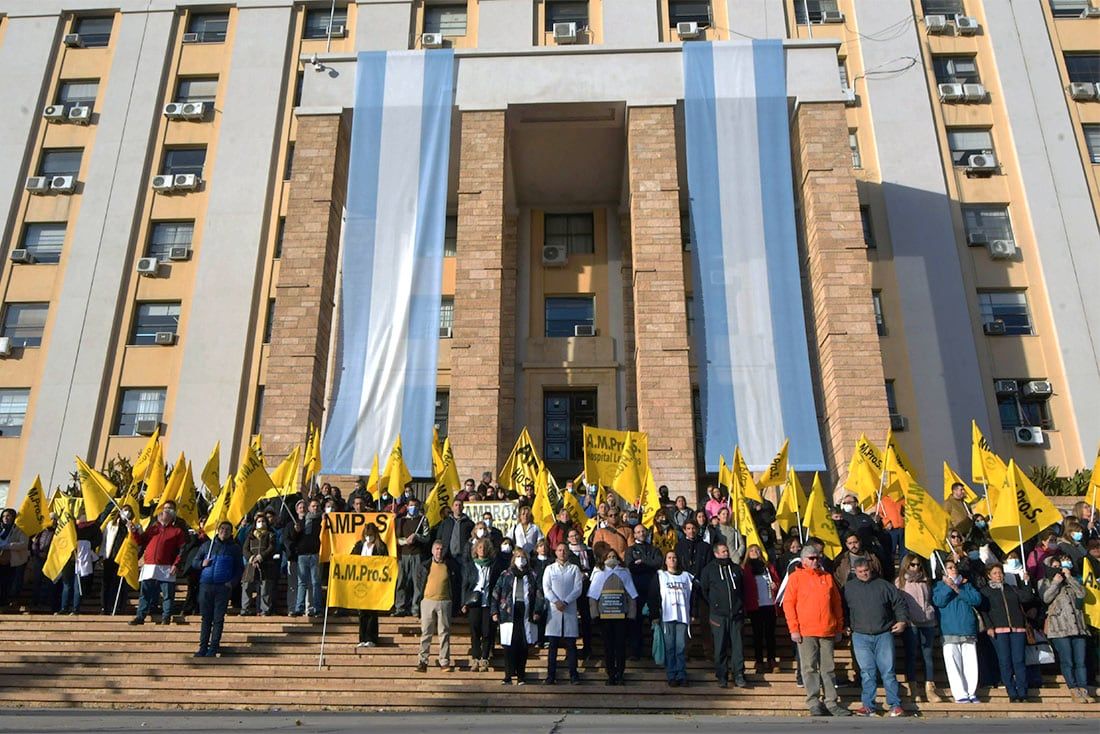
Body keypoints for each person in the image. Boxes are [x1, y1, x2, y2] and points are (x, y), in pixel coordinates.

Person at [782, 546, 850, 717]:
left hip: (827, 629)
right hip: (806, 630)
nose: (815, 561)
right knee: (809, 668)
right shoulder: (796, 578)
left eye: (817, 558)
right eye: (811, 558)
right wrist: (794, 629)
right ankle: (813, 702)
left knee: (828, 668)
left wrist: (839, 626)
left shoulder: (827, 577)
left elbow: (836, 603)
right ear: (803, 560)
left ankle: (831, 702)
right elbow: (789, 604)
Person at [843, 557, 908, 717]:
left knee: (888, 671)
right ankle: (868, 705)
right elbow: (842, 608)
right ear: (855, 572)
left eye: (866, 571)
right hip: (860, 635)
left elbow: (899, 602)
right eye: (860, 572)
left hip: (883, 634)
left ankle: (895, 705)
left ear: (870, 569)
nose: (864, 574)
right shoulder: (848, 588)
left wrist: (902, 621)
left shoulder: (884, 585)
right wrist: (844, 625)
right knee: (867, 672)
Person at [1037, 551, 1090, 703]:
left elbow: (1081, 593)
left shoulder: (1069, 581)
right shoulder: (1044, 582)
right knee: (1068, 660)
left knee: (1081, 660)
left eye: (1059, 566)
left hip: (1077, 625)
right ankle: (1073, 689)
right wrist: (1055, 583)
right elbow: (1046, 598)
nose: (1058, 568)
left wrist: (1069, 577)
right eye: (1054, 566)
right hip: (1059, 627)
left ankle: (1084, 688)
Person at [979, 563, 1036, 703]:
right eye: (995, 573)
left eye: (1000, 572)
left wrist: (1026, 582)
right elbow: (984, 611)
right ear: (989, 576)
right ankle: (1012, 692)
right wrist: (989, 627)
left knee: (1019, 661)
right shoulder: (985, 591)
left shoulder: (1012, 589)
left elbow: (1027, 597)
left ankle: (1023, 692)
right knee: (1005, 662)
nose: (998, 575)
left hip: (1018, 629)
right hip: (999, 630)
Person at [896, 554, 946, 702]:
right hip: (911, 623)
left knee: (928, 655)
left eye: (918, 565)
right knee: (911, 655)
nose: (916, 567)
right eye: (912, 565)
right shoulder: (900, 583)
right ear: (906, 565)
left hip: (927, 621)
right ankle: (913, 688)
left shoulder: (926, 581)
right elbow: (899, 604)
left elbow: (930, 599)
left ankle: (930, 688)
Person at [932, 558, 982, 703]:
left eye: (954, 567)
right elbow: (939, 601)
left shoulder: (967, 585)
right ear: (944, 571)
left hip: (967, 628)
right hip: (949, 629)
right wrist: (949, 587)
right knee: (953, 663)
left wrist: (958, 589)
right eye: (949, 567)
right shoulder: (939, 585)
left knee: (971, 662)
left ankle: (971, 692)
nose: (953, 569)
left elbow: (976, 600)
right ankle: (959, 693)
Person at [128, 507, 188, 625]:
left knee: (167, 595)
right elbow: (140, 541)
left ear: (171, 517)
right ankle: (140, 616)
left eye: (164, 513)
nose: (160, 514)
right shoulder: (152, 529)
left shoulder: (177, 532)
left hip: (166, 567)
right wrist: (134, 532)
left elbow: (182, 550)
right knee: (144, 594)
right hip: (150, 566)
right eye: (160, 513)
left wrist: (176, 564)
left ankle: (166, 617)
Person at [193, 521, 244, 657]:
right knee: (206, 618)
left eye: (227, 529)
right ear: (218, 530)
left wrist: (231, 583)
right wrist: (201, 564)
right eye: (222, 528)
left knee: (218, 618)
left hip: (223, 587)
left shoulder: (235, 548)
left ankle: (214, 647)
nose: (224, 531)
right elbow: (194, 562)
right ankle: (203, 647)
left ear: (231, 532)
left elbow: (239, 569)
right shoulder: (207, 546)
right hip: (206, 585)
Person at [699, 541, 747, 688]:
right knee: (720, 646)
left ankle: (738, 674)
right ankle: (722, 675)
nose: (726, 553)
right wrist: (715, 605)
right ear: (716, 553)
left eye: (727, 551)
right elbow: (704, 590)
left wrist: (740, 606)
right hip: (718, 615)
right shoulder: (709, 570)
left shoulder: (736, 568)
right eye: (723, 551)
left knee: (737, 646)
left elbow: (742, 589)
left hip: (736, 615)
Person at [587, 548, 637, 685]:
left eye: (614, 556)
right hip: (605, 617)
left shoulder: (624, 572)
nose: (612, 558)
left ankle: (620, 674)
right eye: (609, 556)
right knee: (608, 647)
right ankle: (610, 674)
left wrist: (631, 615)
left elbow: (632, 595)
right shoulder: (599, 573)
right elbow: (592, 597)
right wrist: (595, 615)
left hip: (621, 616)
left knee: (620, 647)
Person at [492, 548, 540, 685]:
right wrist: (494, 611)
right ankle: (508, 676)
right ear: (514, 559)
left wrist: (537, 611)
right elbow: (496, 593)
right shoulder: (506, 574)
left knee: (523, 646)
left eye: (523, 557)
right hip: (508, 614)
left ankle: (521, 676)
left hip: (525, 613)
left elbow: (539, 595)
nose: (521, 559)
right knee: (508, 646)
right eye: (518, 556)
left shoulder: (532, 575)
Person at [415, 540, 460, 672]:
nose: (439, 552)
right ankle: (422, 661)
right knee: (426, 633)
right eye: (437, 549)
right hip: (428, 601)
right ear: (432, 551)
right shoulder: (425, 565)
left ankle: (444, 661)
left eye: (441, 549)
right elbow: (419, 582)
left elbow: (455, 584)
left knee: (444, 633)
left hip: (444, 602)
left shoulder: (450, 566)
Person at [542, 542, 584, 685]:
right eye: (559, 550)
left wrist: (566, 601)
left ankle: (573, 674)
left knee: (571, 645)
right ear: (555, 552)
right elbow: (546, 588)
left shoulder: (574, 569)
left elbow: (578, 588)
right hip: (554, 611)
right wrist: (556, 601)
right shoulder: (549, 569)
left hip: (569, 609)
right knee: (552, 646)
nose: (562, 553)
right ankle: (551, 675)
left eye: (564, 550)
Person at [651, 550, 693, 687]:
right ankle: (671, 675)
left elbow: (694, 595)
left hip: (682, 616)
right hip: (667, 616)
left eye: (674, 557)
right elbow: (653, 595)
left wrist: (693, 613)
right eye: (669, 557)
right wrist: (655, 616)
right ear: (665, 561)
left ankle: (682, 674)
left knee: (680, 647)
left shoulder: (686, 576)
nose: (672, 560)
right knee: (670, 648)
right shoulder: (660, 575)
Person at [462, 537, 501, 671]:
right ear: (475, 550)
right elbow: (465, 585)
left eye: (484, 548)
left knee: (487, 631)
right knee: (475, 631)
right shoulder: (471, 565)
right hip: (474, 602)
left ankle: (485, 658)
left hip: (488, 602)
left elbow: (496, 585)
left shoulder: (493, 565)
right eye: (479, 548)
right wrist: (464, 602)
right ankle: (475, 658)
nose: (482, 550)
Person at [625, 522, 662, 659]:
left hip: (652, 590)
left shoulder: (654, 549)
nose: (641, 534)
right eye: (638, 532)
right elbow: (631, 567)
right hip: (635, 591)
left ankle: (656, 652)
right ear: (634, 534)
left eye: (643, 531)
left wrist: (643, 561)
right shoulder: (630, 550)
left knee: (654, 622)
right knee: (636, 623)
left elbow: (658, 563)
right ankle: (635, 652)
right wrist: (648, 564)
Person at [349, 522, 388, 648]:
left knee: (372, 611)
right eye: (367, 535)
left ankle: (372, 638)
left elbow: (385, 562)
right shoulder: (359, 546)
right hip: (360, 582)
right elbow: (351, 558)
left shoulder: (380, 546)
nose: (368, 537)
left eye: (371, 535)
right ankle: (362, 638)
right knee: (362, 612)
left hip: (374, 583)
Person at [743, 544, 780, 674]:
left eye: (757, 550)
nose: (754, 552)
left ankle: (771, 659)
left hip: (769, 604)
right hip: (755, 606)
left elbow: (777, 581)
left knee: (770, 634)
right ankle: (759, 661)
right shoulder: (746, 568)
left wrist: (775, 585)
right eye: (752, 550)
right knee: (757, 635)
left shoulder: (768, 567)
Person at [287, 498, 323, 617]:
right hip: (302, 555)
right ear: (309, 508)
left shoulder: (322, 520)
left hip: (315, 554)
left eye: (317, 506)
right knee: (301, 583)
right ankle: (299, 608)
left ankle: (317, 608)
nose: (315, 508)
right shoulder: (300, 521)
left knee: (316, 582)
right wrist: (296, 531)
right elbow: (293, 538)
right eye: (313, 506)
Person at [394, 497, 427, 617]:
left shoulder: (423, 520)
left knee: (417, 583)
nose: (413, 508)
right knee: (401, 582)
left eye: (416, 506)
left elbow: (427, 537)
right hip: (403, 555)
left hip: (417, 555)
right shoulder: (400, 521)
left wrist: (417, 537)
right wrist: (405, 541)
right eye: (411, 505)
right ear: (407, 507)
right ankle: (400, 607)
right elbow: (396, 539)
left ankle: (415, 608)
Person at [241, 513, 277, 616]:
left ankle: (264, 609)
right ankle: (245, 608)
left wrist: (261, 556)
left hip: (266, 564)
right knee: (247, 586)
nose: (261, 523)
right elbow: (245, 549)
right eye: (259, 521)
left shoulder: (271, 534)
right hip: (251, 564)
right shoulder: (251, 535)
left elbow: (271, 547)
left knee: (265, 587)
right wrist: (252, 558)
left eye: (263, 521)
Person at [99, 507, 132, 614]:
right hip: (110, 558)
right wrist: (102, 555)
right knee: (107, 583)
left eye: (129, 511)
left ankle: (119, 607)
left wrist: (131, 528)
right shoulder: (111, 524)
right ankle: (105, 607)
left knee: (120, 584)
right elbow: (105, 540)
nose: (126, 512)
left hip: (124, 559)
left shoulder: (134, 525)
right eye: (124, 510)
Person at [0, 509, 29, 610]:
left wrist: (8, 546)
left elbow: (24, 544)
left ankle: (10, 601)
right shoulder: (1, 529)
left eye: (8, 516)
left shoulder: (19, 529)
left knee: (11, 582)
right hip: (2, 560)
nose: (5, 518)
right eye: (3, 516)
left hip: (14, 561)